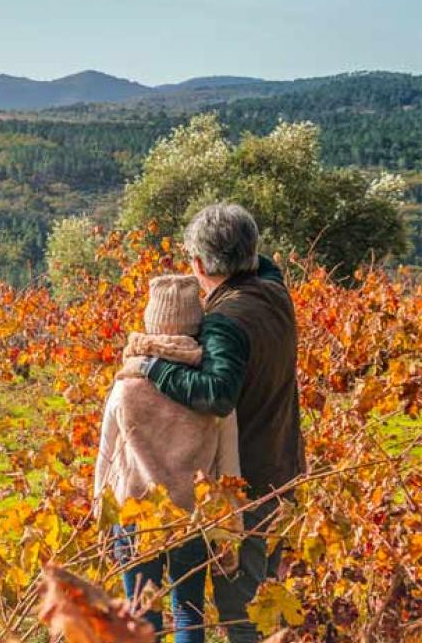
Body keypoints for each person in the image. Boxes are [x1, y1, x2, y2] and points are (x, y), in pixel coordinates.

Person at [124, 203, 302, 643]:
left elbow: (217, 394)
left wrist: (152, 367)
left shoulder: (226, 320)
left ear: (200, 263)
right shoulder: (274, 291)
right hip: (285, 468)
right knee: (264, 599)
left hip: (249, 485)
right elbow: (262, 260)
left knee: (240, 613)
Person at [95, 274, 240, 643]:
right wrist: (231, 529)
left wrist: (101, 516)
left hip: (133, 518)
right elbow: (229, 467)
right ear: (197, 325)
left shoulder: (126, 385)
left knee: (142, 617)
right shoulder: (211, 391)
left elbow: (106, 457)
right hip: (192, 518)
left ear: (150, 322)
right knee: (188, 613)